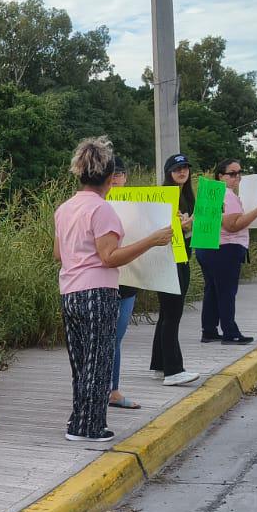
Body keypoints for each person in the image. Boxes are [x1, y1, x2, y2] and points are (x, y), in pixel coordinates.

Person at [54, 137, 177, 447]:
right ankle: (91, 427)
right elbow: (109, 257)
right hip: (98, 291)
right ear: (110, 178)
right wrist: (151, 240)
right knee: (99, 361)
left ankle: (77, 419)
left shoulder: (65, 209)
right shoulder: (103, 210)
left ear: (78, 173)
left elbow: (58, 253)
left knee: (81, 362)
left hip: (69, 290)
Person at [196, 157, 257, 346]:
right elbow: (233, 226)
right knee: (226, 292)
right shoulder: (228, 195)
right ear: (221, 176)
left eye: (239, 173)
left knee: (212, 290)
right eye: (232, 173)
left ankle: (209, 331)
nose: (237, 177)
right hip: (225, 249)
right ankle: (230, 332)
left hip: (206, 247)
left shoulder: (209, 192)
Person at [148, 153, 202, 386]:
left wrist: (196, 224)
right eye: (177, 168)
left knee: (166, 314)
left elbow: (190, 233)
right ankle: (173, 370)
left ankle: (160, 365)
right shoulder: (163, 198)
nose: (182, 172)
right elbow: (159, 231)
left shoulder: (188, 197)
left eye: (186, 168)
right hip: (167, 260)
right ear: (168, 172)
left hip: (182, 259)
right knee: (172, 315)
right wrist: (181, 225)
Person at [106, 159, 141, 411]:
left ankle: (112, 390)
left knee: (116, 337)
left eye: (120, 174)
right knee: (99, 337)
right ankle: (96, 388)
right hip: (102, 280)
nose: (116, 179)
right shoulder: (97, 206)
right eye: (112, 175)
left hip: (128, 280)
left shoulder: (137, 205)